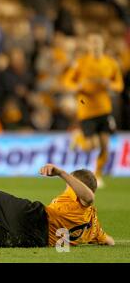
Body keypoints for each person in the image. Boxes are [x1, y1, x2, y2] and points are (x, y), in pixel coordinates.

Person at [63, 34, 124, 188]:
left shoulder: (111, 63)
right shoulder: (81, 63)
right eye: (92, 43)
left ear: (102, 45)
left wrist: (110, 85)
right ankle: (77, 138)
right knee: (91, 146)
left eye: (98, 42)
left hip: (104, 109)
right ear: (88, 46)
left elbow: (119, 85)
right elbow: (67, 81)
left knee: (105, 145)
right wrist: (78, 86)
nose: (95, 45)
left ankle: (98, 174)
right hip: (87, 110)